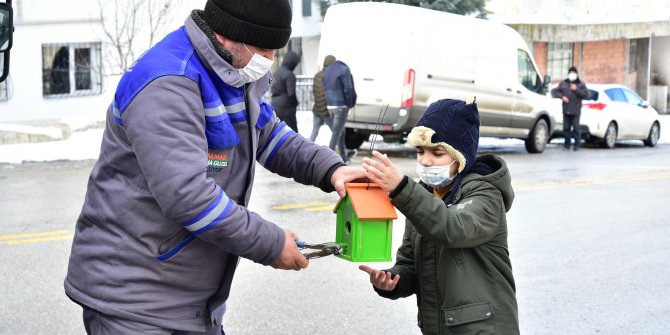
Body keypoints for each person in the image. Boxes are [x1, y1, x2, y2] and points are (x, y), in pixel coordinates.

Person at [63, 1, 365, 334]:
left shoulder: (229, 73)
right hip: (135, 301)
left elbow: (270, 136)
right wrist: (271, 243)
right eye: (264, 49)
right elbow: (187, 196)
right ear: (228, 36)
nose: (270, 60)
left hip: (187, 302)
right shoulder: (169, 82)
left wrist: (331, 169)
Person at [358, 98, 519, 334]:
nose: (425, 160)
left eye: (437, 152)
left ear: (460, 157)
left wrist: (402, 188)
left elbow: (451, 227)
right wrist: (392, 281)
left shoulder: (486, 193)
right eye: (420, 151)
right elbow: (410, 264)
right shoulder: (422, 195)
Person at [323, 55, 357, 164]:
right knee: (337, 132)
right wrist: (350, 103)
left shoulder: (328, 70)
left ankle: (344, 157)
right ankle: (328, 159)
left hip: (330, 105)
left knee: (341, 131)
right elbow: (348, 88)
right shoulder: (344, 69)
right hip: (341, 105)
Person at [551, 66, 588, 151]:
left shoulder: (581, 84)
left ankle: (576, 145)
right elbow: (555, 92)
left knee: (576, 128)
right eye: (570, 73)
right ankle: (566, 145)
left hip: (576, 110)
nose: (572, 75)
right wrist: (562, 96)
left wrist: (577, 89)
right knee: (566, 128)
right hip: (566, 109)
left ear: (576, 74)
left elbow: (585, 95)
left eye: (574, 73)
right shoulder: (563, 83)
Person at [271, 50, 300, 132]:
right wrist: (295, 103)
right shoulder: (289, 75)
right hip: (286, 107)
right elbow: (291, 94)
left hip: (275, 104)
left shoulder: (276, 72)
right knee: (292, 131)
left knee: (277, 131)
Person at [309, 60, 333, 142]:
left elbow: (315, 91)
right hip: (326, 111)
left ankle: (307, 150)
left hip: (317, 109)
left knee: (314, 132)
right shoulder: (330, 76)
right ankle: (342, 153)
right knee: (337, 133)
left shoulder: (317, 75)